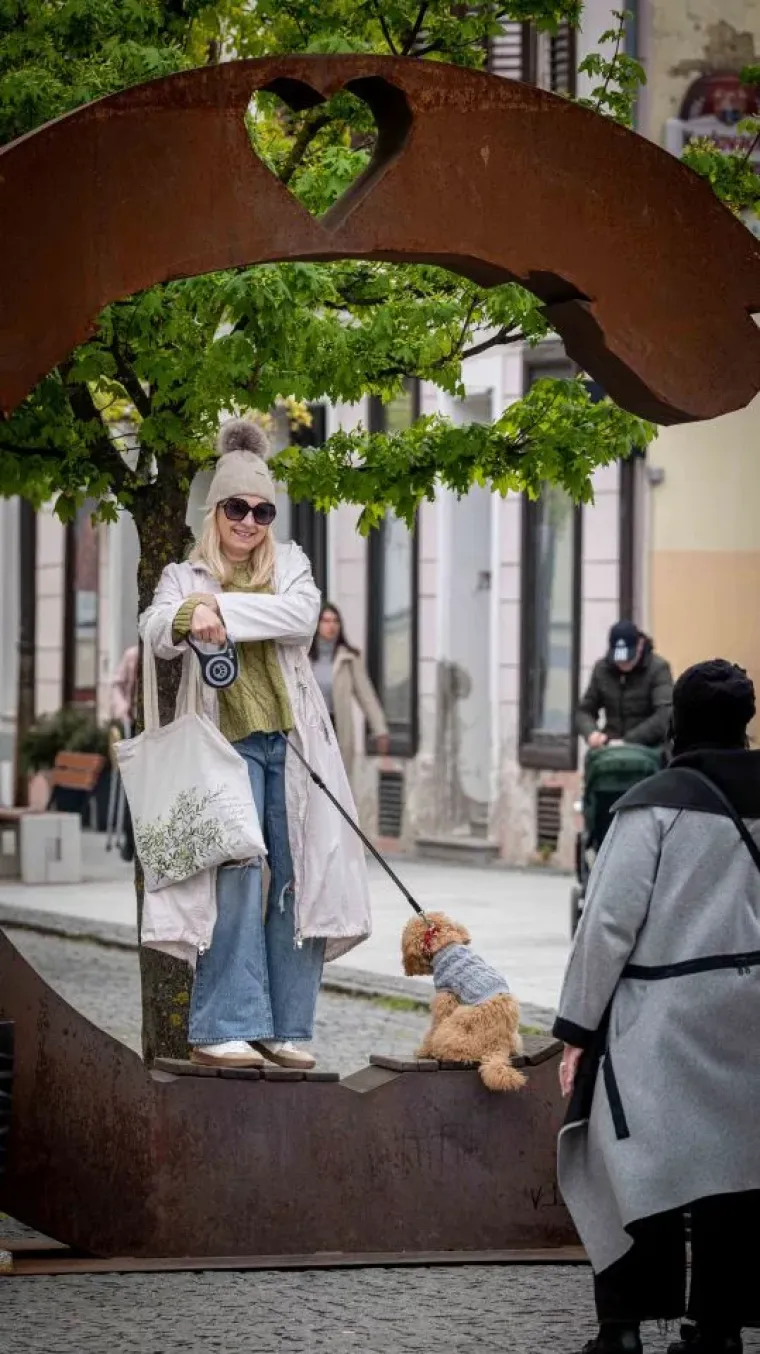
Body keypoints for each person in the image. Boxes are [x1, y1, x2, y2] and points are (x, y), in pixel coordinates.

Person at [138, 418, 371, 1071]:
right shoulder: (183, 576)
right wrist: (191, 612)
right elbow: (156, 627)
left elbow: (300, 617)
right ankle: (224, 1024)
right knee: (236, 877)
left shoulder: (290, 564)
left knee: (298, 881)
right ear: (216, 511)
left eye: (262, 509)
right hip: (224, 749)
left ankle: (287, 1026)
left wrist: (221, 611)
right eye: (237, 507)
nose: (249, 521)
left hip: (291, 748)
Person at [555, 659, 760, 1354]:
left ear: (679, 721)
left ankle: (623, 1329)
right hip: (751, 1019)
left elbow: (606, 925)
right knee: (737, 1173)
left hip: (663, 1015)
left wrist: (577, 1029)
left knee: (633, 1163)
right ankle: (719, 1329)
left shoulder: (652, 803)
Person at [309, 603, 389, 782]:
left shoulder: (349, 657)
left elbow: (366, 695)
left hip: (339, 726)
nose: (331, 626)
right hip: (313, 727)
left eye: (335, 621)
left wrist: (380, 729)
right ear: (317, 624)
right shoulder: (305, 656)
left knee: (338, 781)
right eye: (326, 621)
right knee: (313, 780)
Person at [578, 621, 673, 750]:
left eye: (628, 658)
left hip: (649, 747)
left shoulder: (658, 669)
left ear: (640, 645)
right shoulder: (602, 669)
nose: (623, 664)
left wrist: (628, 741)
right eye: (619, 659)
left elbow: (665, 715)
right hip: (610, 745)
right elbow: (584, 710)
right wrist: (591, 732)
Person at [109, 644, 139, 862]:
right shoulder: (132, 654)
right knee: (132, 786)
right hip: (135, 724)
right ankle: (130, 843)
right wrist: (122, 710)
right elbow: (117, 685)